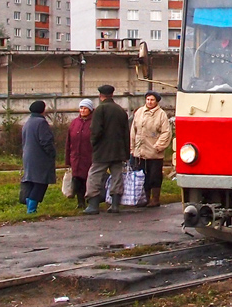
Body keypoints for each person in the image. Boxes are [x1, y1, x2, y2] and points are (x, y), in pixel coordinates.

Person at [84, 84, 130, 215]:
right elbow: (126, 132)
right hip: (118, 150)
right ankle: (115, 204)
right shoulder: (120, 110)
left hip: (102, 151)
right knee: (117, 176)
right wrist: (126, 152)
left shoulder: (100, 110)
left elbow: (95, 131)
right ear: (112, 95)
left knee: (94, 176)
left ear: (100, 95)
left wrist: (93, 143)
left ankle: (93, 205)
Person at [130, 90, 173, 207]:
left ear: (156, 101)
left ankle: (155, 199)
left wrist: (159, 146)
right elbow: (133, 131)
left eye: (152, 100)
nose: (149, 102)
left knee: (154, 175)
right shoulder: (139, 112)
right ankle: (144, 198)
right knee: (142, 175)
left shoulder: (161, 115)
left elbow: (166, 132)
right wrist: (132, 147)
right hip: (140, 151)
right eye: (148, 99)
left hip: (154, 152)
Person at [20, 100, 56, 215]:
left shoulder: (28, 122)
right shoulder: (41, 123)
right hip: (40, 158)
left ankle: (29, 206)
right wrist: (52, 153)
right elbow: (46, 141)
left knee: (32, 182)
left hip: (28, 157)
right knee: (40, 182)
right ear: (43, 110)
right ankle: (31, 208)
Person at [65, 99, 94, 209]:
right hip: (76, 157)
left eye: (85, 108)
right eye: (81, 108)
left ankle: (90, 200)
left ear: (90, 110)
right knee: (77, 179)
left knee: (88, 179)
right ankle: (80, 201)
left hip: (88, 156)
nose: (82, 110)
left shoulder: (93, 122)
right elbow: (69, 141)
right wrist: (68, 159)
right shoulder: (74, 123)